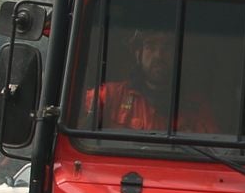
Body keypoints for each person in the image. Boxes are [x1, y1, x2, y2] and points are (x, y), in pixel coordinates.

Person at [88, 28, 217, 134]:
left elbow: (212, 153)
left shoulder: (196, 108)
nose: (159, 55)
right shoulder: (109, 96)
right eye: (150, 46)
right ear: (138, 54)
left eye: (167, 47)